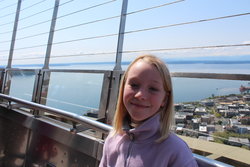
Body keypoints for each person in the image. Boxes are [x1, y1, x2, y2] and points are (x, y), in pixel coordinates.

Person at [99, 55, 198, 167]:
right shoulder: (112, 139)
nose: (140, 95)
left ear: (164, 99)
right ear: (122, 88)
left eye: (153, 89)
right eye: (134, 85)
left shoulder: (176, 151)